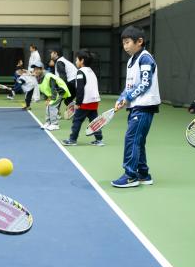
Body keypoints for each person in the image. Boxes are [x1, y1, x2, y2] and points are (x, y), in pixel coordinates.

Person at [111, 26, 160, 188]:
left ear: (139, 41)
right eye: (123, 43)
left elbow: (145, 83)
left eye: (127, 42)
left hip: (144, 106)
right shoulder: (132, 60)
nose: (125, 46)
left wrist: (129, 97)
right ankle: (143, 174)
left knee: (131, 139)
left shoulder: (145, 58)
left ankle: (130, 175)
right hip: (135, 107)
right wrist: (121, 98)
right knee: (137, 140)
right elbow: (130, 85)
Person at [62, 50, 103, 146]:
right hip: (94, 101)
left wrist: (78, 103)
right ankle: (99, 140)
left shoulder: (80, 72)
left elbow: (80, 89)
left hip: (85, 102)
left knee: (77, 120)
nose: (76, 62)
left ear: (82, 60)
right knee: (94, 121)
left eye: (77, 60)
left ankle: (72, 139)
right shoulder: (91, 71)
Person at [32, 62, 70, 131]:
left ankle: (55, 124)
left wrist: (51, 99)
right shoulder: (39, 78)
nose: (35, 71)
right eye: (34, 69)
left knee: (52, 105)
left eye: (37, 69)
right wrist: (47, 99)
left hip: (59, 91)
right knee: (48, 106)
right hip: (53, 93)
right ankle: (48, 123)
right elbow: (45, 89)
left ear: (42, 69)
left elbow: (54, 88)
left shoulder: (48, 76)